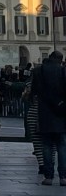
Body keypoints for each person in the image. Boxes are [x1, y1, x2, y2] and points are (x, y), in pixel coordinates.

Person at [31, 51, 66, 185]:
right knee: (62, 145)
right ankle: (63, 177)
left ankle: (48, 177)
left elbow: (34, 92)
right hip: (60, 112)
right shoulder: (63, 71)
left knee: (46, 145)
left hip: (44, 111)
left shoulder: (38, 71)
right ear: (60, 60)